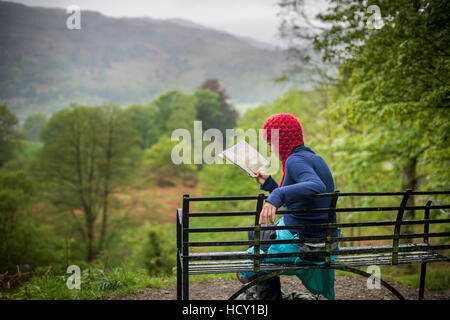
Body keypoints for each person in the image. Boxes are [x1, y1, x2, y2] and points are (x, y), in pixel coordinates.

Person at [237, 113, 338, 300]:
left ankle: (267, 295)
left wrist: (277, 194)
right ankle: (269, 293)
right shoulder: (314, 158)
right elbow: (297, 197)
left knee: (258, 235)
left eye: (270, 142)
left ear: (281, 140)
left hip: (304, 244)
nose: (269, 148)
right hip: (322, 239)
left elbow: (316, 185)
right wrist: (270, 185)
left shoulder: (295, 161)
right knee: (260, 233)